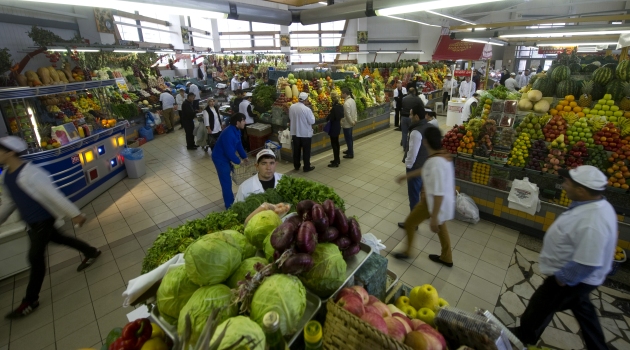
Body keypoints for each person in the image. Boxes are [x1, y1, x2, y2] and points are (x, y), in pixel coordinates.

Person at [513, 166, 615, 350]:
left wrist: (562, 279)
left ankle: (524, 335)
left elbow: (587, 263)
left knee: (541, 305)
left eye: (568, 183)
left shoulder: (593, 221)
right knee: (582, 309)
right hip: (577, 279)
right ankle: (598, 346)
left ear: (581, 190)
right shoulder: (594, 206)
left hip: (571, 278)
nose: (564, 185)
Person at [0, 137, 100, 319]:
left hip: (42, 220)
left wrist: (75, 214)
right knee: (60, 239)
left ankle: (30, 300)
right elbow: (8, 202)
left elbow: (54, 195)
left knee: (35, 258)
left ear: (10, 152)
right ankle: (91, 252)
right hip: (31, 223)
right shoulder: (5, 176)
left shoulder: (31, 174)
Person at [394, 127, 455, 266]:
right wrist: (406, 176)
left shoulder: (436, 163)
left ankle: (407, 252)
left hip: (433, 202)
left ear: (425, 142)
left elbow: (438, 193)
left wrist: (433, 217)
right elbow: (425, 169)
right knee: (441, 227)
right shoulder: (441, 155)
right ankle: (447, 257)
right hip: (439, 201)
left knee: (410, 223)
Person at [396, 104, 432, 231]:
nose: (410, 116)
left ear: (416, 116)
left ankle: (413, 222)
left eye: (411, 114)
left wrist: (408, 166)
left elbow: (412, 153)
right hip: (427, 165)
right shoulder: (430, 125)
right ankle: (425, 214)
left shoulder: (416, 131)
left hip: (416, 167)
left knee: (413, 195)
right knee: (424, 192)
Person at [212, 113, 248, 209]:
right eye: (243, 120)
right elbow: (229, 152)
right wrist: (238, 161)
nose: (245, 122)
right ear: (237, 122)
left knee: (227, 181)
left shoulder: (236, 130)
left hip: (225, 157)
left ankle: (231, 202)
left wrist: (244, 156)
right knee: (226, 182)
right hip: (220, 158)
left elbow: (238, 145)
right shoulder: (228, 134)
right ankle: (229, 206)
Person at [289, 92, 316, 172]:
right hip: (305, 134)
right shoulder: (307, 109)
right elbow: (312, 121)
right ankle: (306, 167)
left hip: (295, 133)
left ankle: (296, 166)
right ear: (306, 100)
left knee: (296, 151)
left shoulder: (292, 107)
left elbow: (290, 117)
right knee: (306, 151)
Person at [326, 92, 344, 168]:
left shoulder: (334, 108)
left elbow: (331, 118)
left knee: (334, 144)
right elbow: (342, 115)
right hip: (338, 126)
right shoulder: (340, 106)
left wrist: (328, 115)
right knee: (337, 143)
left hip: (333, 127)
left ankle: (336, 161)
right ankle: (337, 159)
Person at [341, 88, 357, 159]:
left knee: (348, 138)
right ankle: (349, 150)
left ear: (345, 93)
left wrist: (351, 122)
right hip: (352, 122)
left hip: (347, 124)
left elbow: (347, 115)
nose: (341, 94)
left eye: (342, 93)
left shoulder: (346, 103)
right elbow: (355, 111)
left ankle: (350, 153)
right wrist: (355, 120)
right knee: (350, 137)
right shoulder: (352, 100)